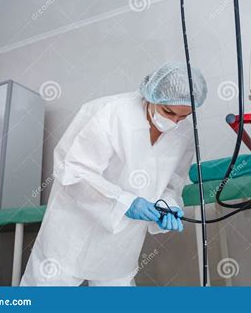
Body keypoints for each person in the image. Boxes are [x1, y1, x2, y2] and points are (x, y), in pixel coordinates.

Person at [20, 61, 207, 286]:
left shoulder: (183, 133)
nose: (174, 122)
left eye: (183, 117)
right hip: (71, 236)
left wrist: (167, 205)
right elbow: (72, 171)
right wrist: (123, 202)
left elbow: (172, 182)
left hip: (120, 245)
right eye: (168, 112)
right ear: (151, 96)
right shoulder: (110, 112)